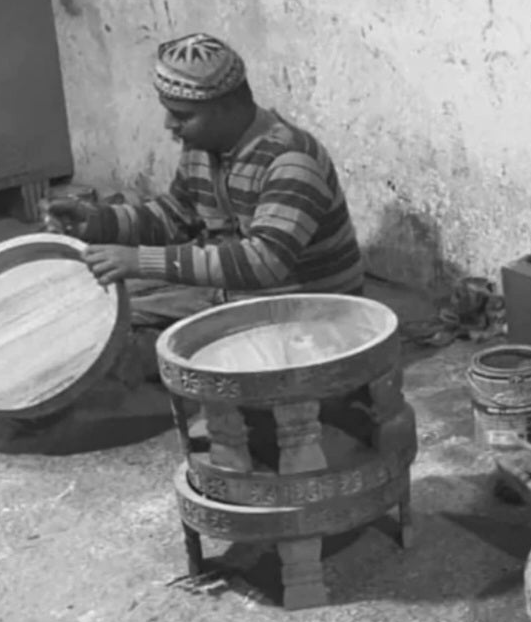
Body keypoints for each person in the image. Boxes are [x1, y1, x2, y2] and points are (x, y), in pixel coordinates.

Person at [47, 32, 364, 378]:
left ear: (226, 108)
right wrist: (95, 223)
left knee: (122, 342)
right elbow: (174, 216)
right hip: (236, 296)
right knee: (94, 313)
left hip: (306, 315)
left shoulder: (291, 160)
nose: (170, 125)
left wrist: (140, 261)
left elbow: (263, 263)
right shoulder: (204, 146)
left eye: (181, 115)